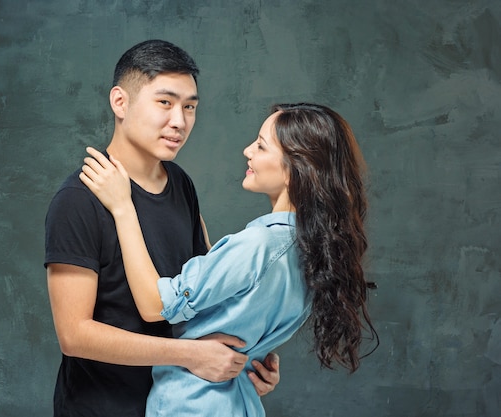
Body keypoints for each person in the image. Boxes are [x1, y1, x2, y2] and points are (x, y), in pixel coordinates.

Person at [80, 102, 379, 416]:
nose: (248, 150)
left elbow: (156, 305)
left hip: (193, 405)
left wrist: (122, 207)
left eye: (261, 146)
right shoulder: (314, 252)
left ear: (295, 171)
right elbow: (233, 303)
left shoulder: (259, 245)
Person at [44, 39, 280, 417]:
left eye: (189, 107)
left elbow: (201, 298)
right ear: (120, 102)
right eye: (165, 103)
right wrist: (191, 355)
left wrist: (246, 361)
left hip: (178, 406)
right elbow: (74, 335)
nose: (179, 121)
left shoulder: (181, 184)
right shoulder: (79, 199)